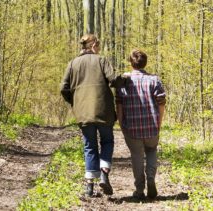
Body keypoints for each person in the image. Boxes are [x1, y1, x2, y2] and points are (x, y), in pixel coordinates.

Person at [60, 34, 125, 197]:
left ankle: (89, 187)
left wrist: (75, 102)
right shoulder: (101, 60)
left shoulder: (72, 63)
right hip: (104, 111)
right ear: (94, 44)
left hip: (83, 113)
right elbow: (113, 79)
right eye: (99, 44)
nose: (100, 48)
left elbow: (63, 88)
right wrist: (126, 78)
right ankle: (104, 173)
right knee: (107, 141)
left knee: (89, 146)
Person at [116, 49, 166, 200]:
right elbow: (161, 103)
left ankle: (139, 190)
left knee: (136, 155)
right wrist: (159, 121)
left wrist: (121, 123)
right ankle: (150, 178)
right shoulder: (154, 80)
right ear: (145, 62)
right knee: (151, 150)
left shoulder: (124, 81)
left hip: (131, 126)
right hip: (151, 125)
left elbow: (119, 104)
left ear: (131, 63)